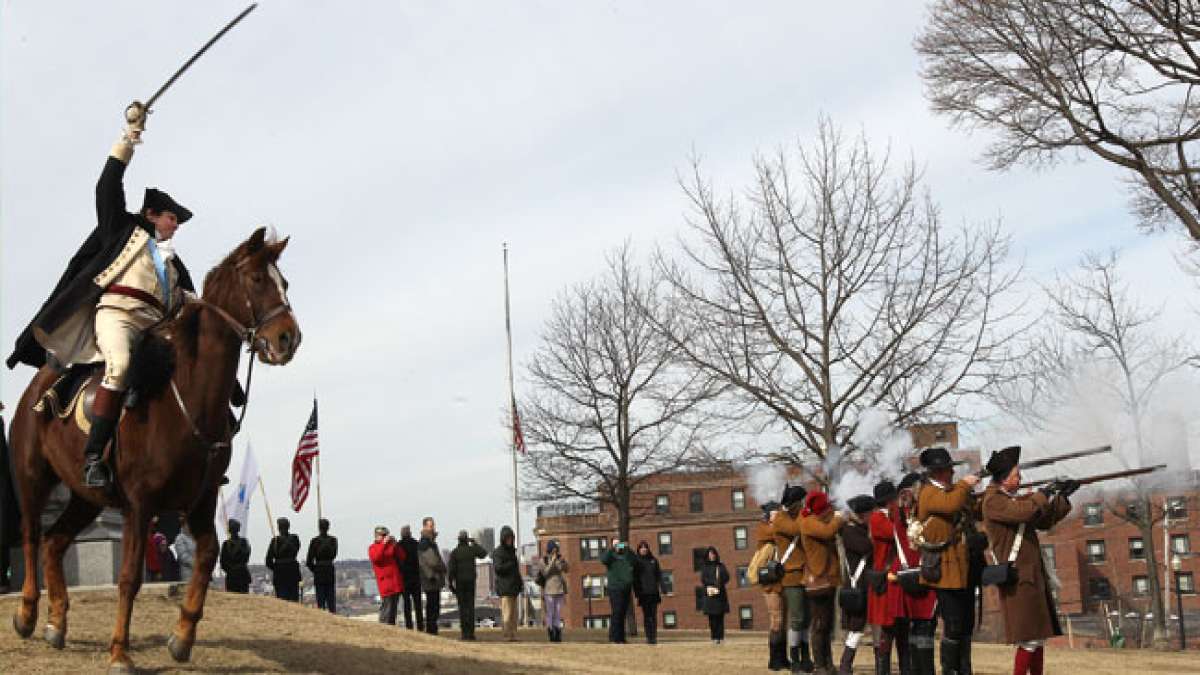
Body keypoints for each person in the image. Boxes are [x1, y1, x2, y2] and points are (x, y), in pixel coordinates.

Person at [7, 102, 196, 490]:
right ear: (152, 214)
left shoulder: (173, 262)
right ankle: (94, 456)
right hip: (118, 316)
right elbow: (107, 188)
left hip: (156, 327)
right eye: (172, 218)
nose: (176, 226)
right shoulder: (121, 229)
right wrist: (130, 137)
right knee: (121, 364)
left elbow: (189, 301)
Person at [980, 446, 1076, 675]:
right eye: (1016, 475)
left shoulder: (1011, 500)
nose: (1020, 479)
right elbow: (1025, 512)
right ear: (1004, 479)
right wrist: (1044, 492)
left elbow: (1043, 520)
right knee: (1029, 640)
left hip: (1029, 576)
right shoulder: (993, 501)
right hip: (1018, 578)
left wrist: (1062, 497)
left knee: (1037, 638)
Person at [914, 447, 981, 675]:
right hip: (944, 569)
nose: (952, 472)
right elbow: (950, 504)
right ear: (938, 472)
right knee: (953, 624)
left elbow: (970, 509)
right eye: (948, 469)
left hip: (962, 568)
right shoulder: (929, 492)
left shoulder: (951, 491)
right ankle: (949, 670)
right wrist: (965, 485)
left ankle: (964, 669)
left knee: (964, 625)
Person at [795, 490, 845, 672]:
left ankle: (828, 664)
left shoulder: (815, 519)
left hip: (827, 578)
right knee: (818, 625)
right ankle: (819, 665)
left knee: (826, 624)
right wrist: (838, 518)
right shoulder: (808, 522)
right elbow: (827, 531)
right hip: (818, 578)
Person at [770, 483, 812, 673]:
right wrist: (806, 513)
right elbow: (798, 529)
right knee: (797, 619)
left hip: (805, 574)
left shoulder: (797, 516)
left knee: (806, 619)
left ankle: (806, 657)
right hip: (791, 576)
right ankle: (795, 660)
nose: (803, 505)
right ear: (794, 503)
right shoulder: (780, 519)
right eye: (800, 502)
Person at [837, 494, 875, 675]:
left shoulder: (858, 529)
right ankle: (845, 665)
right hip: (859, 585)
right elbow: (866, 547)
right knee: (857, 628)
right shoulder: (850, 531)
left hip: (866, 584)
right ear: (863, 514)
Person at [754, 500, 789, 670]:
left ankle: (783, 658)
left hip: (782, 581)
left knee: (783, 622)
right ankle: (774, 660)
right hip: (770, 585)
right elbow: (773, 533)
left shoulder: (778, 528)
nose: (778, 516)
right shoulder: (764, 529)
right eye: (775, 513)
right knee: (776, 620)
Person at [448, 530, 488, 640]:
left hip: (460, 583)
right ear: (467, 539)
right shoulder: (471, 550)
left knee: (462, 608)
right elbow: (484, 553)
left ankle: (464, 633)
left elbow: (451, 570)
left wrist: (450, 584)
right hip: (470, 582)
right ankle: (471, 633)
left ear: (458, 540)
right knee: (470, 607)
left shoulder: (455, 552)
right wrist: (474, 543)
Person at [600, 539, 636, 644]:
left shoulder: (626, 555)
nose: (618, 546)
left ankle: (621, 637)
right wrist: (612, 549)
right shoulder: (611, 556)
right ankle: (614, 637)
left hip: (626, 588)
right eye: (616, 544)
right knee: (617, 612)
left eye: (619, 544)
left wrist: (628, 548)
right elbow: (604, 560)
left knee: (623, 612)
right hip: (615, 588)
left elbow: (635, 560)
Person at [369, 526, 405, 624]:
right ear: (377, 536)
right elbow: (376, 558)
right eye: (383, 535)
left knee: (393, 611)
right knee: (386, 610)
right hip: (386, 583)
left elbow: (402, 556)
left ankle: (391, 627)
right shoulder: (373, 548)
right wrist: (383, 544)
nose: (386, 537)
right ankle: (383, 627)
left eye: (386, 535)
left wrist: (395, 544)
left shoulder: (391, 546)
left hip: (395, 582)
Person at [493, 525, 523, 642]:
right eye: (508, 538)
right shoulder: (498, 552)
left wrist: (520, 583)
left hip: (514, 587)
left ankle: (513, 634)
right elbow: (498, 568)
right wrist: (510, 564)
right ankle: (506, 635)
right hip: (505, 587)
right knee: (507, 613)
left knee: (514, 614)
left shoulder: (512, 552)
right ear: (503, 538)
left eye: (511, 538)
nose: (510, 540)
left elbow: (516, 570)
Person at [417, 516, 447, 635]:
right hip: (431, 578)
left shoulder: (429, 541)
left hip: (431, 578)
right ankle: (431, 629)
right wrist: (443, 568)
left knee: (433, 605)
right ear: (425, 527)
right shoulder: (425, 543)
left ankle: (432, 629)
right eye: (430, 526)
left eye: (433, 525)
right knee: (432, 606)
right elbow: (433, 561)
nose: (433, 528)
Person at [539, 540, 570, 643]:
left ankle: (557, 633)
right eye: (553, 550)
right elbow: (545, 573)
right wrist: (552, 561)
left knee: (557, 613)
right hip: (549, 590)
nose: (555, 552)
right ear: (549, 550)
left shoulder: (559, 558)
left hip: (559, 589)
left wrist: (564, 562)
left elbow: (566, 570)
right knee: (550, 613)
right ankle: (551, 633)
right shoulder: (543, 560)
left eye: (556, 550)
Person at [699, 546, 731, 645]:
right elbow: (703, 579)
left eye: (713, 554)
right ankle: (714, 637)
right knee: (712, 618)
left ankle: (721, 637)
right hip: (710, 595)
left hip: (720, 595)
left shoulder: (720, 566)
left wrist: (720, 582)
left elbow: (727, 577)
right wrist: (713, 582)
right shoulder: (705, 567)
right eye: (710, 554)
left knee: (720, 617)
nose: (712, 556)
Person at [631, 541, 661, 645]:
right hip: (643, 593)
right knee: (647, 616)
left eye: (645, 547)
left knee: (653, 616)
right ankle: (649, 637)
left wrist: (662, 588)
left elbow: (658, 575)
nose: (643, 549)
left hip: (654, 592)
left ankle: (654, 637)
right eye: (641, 548)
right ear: (639, 550)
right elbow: (634, 579)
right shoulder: (636, 561)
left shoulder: (653, 560)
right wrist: (637, 593)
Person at [266, 517, 302, 602]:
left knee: (282, 600)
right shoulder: (294, 539)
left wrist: (276, 568)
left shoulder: (275, 541)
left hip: (280, 574)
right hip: (293, 572)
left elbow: (268, 561)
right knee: (294, 599)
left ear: (279, 528)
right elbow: (297, 549)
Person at [307, 518, 339, 614]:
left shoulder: (315, 541)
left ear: (319, 528)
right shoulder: (333, 540)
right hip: (329, 570)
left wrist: (316, 570)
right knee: (331, 601)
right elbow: (334, 555)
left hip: (319, 571)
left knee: (321, 600)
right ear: (328, 527)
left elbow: (309, 561)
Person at [398, 525, 424, 630]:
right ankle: (420, 626)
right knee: (418, 604)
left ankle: (409, 626)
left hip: (404, 578)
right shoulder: (416, 544)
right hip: (416, 577)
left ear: (401, 534)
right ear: (410, 533)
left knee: (407, 604)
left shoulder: (399, 546)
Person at [219, 519, 252, 593]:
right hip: (240, 574)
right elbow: (246, 557)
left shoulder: (226, 544)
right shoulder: (243, 542)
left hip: (233, 576)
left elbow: (223, 562)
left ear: (229, 530)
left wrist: (231, 570)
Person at [174, 516, 196, 582]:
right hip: (187, 574)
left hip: (199, 572)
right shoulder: (179, 538)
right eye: (188, 524)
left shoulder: (195, 537)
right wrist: (197, 564)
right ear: (183, 526)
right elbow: (183, 556)